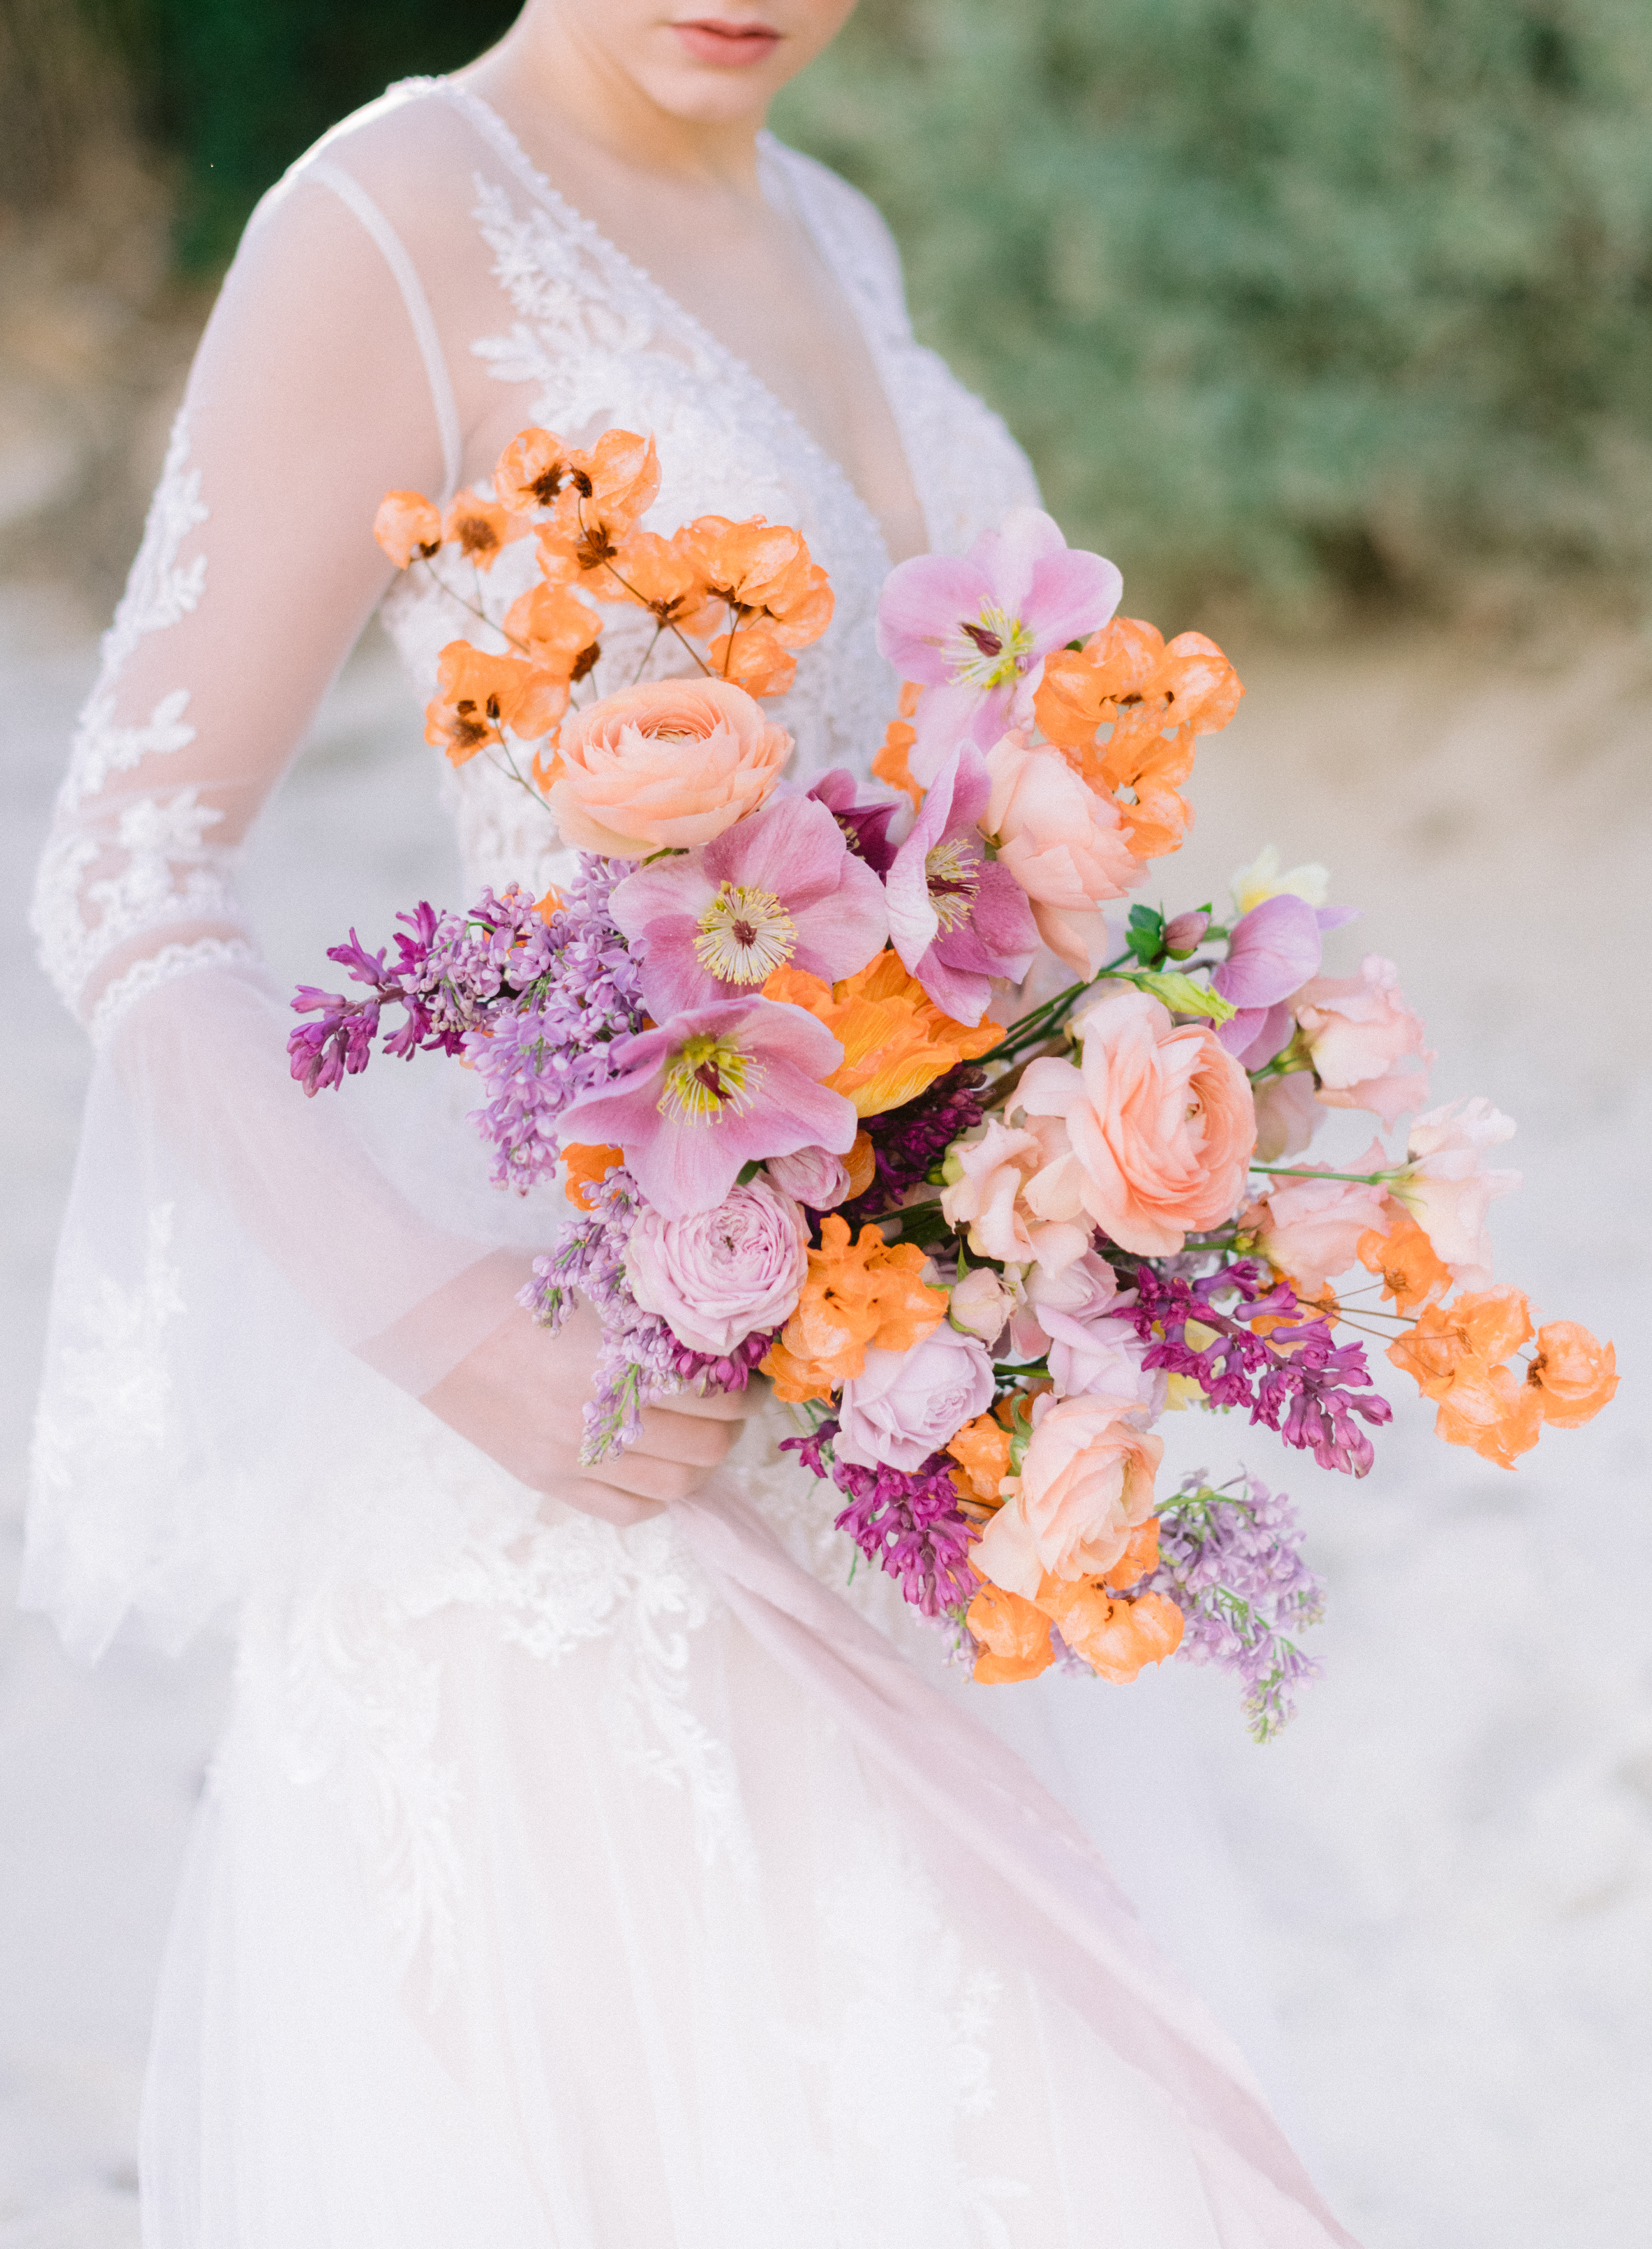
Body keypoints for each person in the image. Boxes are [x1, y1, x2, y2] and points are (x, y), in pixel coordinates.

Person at [29, 4, 1356, 2240]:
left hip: (892, 1432)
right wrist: (439, 1322)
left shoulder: (833, 225)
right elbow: (126, 864)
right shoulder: (392, 216)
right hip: (580, 1487)